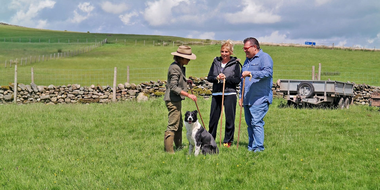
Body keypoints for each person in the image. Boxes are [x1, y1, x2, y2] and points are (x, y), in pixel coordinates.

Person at [239, 37, 273, 153]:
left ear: (254, 47)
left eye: (246, 48)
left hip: (259, 98)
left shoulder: (264, 58)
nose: (244, 51)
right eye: (243, 48)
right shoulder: (247, 60)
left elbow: (268, 73)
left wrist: (251, 73)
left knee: (256, 122)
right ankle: (251, 146)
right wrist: (241, 96)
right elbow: (242, 80)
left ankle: (258, 148)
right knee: (249, 124)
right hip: (247, 98)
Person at [207, 40, 241, 148]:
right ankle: (211, 140)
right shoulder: (215, 62)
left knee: (229, 118)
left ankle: (228, 141)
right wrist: (217, 78)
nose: (224, 54)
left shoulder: (235, 63)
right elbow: (209, 77)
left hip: (229, 93)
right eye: (222, 51)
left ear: (231, 52)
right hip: (217, 93)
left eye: (226, 51)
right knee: (213, 118)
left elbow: (237, 79)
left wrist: (227, 78)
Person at [164, 45, 197, 154]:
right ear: (180, 58)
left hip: (176, 100)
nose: (188, 60)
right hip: (172, 100)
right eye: (187, 58)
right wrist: (188, 95)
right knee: (173, 124)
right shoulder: (175, 68)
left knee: (179, 124)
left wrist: (186, 81)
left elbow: (178, 80)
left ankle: (178, 146)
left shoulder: (180, 66)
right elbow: (173, 86)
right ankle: (169, 152)